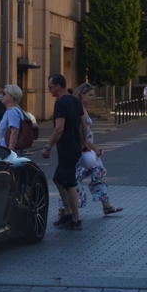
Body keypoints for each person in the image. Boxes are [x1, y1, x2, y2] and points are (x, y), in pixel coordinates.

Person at [56, 83, 123, 216]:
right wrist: (95, 149)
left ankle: (107, 206)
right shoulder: (77, 108)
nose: (93, 98)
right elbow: (81, 134)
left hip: (88, 150)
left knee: (99, 174)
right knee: (74, 179)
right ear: (82, 94)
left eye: (94, 95)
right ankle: (64, 208)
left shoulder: (83, 108)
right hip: (82, 150)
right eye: (90, 95)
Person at [42, 74, 87, 231]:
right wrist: (81, 142)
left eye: (50, 87)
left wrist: (48, 147)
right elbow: (84, 123)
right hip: (73, 147)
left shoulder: (61, 103)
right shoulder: (75, 100)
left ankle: (76, 219)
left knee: (69, 184)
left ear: (58, 86)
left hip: (67, 148)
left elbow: (59, 127)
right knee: (58, 180)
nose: (49, 90)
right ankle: (67, 213)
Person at [0, 84, 24, 150]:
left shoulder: (12, 112)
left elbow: (14, 132)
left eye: (4, 93)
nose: (1, 95)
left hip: (6, 148)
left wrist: (10, 151)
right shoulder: (13, 110)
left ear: (12, 96)